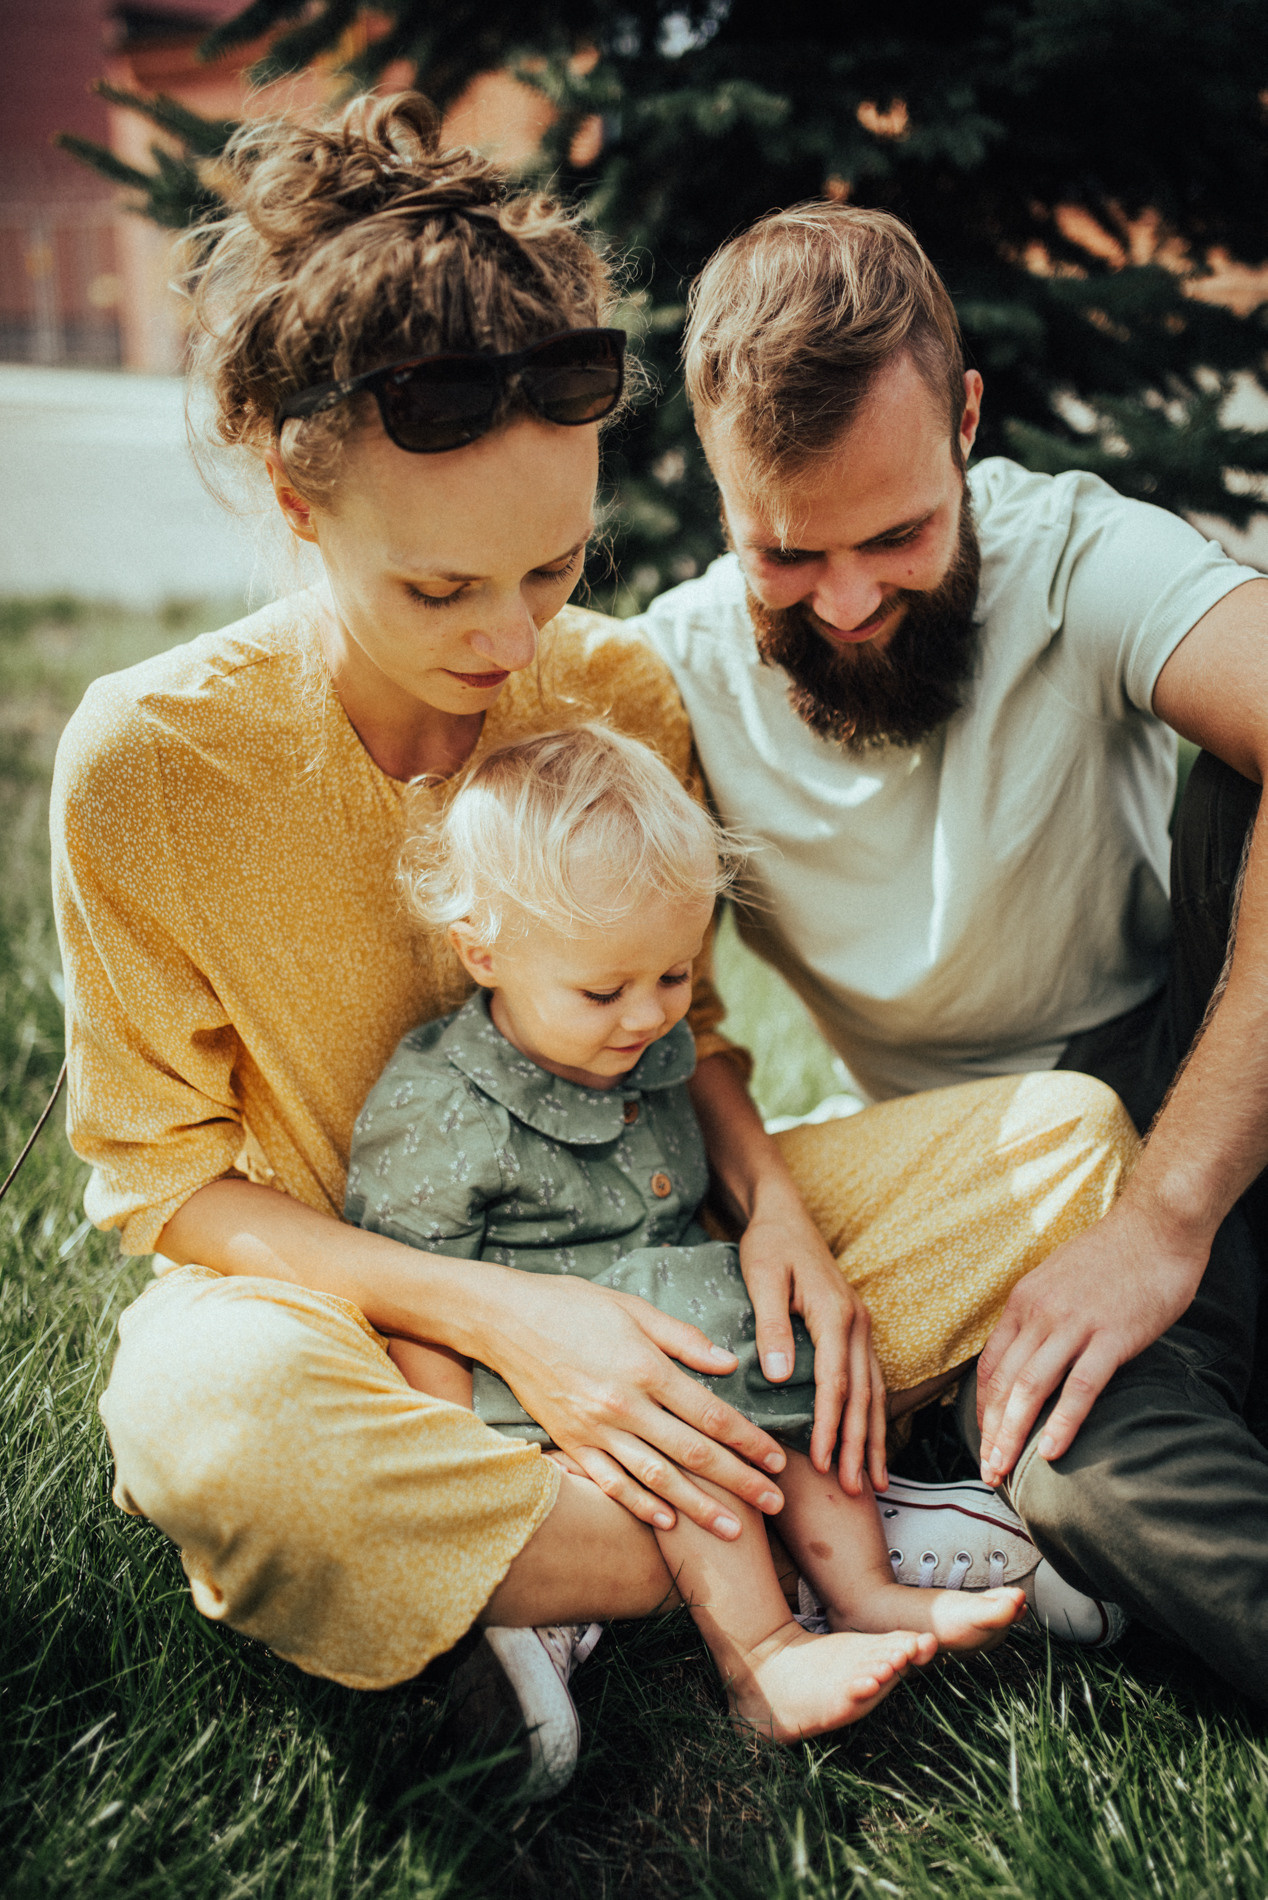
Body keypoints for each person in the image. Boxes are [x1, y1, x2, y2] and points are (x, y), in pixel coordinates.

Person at [50, 94, 1133, 1801]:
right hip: (366, 1319)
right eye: (436, 592)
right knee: (208, 1422)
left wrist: (771, 1205)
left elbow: (684, 1024)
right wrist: (516, 1325)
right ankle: (753, 1513)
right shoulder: (147, 760)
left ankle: (560, 1560)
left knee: (1062, 1142)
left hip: (664, 1249)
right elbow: (164, 1184)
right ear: (294, 501)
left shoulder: (613, 685)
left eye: (552, 568)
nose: (505, 638)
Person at [634, 200, 1268, 1701]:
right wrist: (771, 1198)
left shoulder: (1076, 554)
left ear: (967, 423)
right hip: (990, 1198)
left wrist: (1164, 1218)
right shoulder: (668, 676)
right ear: (716, 488)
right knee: (1069, 1475)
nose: (849, 602)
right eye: (786, 552)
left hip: (1210, 1063)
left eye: (901, 533)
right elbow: (636, 1013)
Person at [345, 723, 1028, 1741]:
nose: (647, 1016)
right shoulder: (444, 1106)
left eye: (672, 975)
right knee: (700, 1462)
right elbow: (417, 1290)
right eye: (603, 989)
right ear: (480, 948)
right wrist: (463, 1466)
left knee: (788, 1392)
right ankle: (760, 1657)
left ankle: (867, 1591)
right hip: (559, 1396)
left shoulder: (651, 1044)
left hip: (690, 1330)